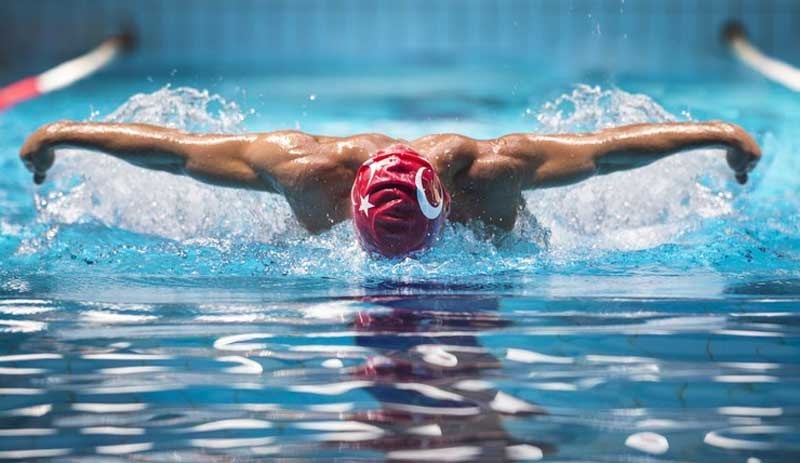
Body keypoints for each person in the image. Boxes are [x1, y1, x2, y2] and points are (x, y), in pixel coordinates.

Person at [20, 120, 761, 256]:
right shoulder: (308, 173)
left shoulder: (495, 173)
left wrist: (718, 132)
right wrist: (63, 133)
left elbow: (605, 155)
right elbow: (178, 154)